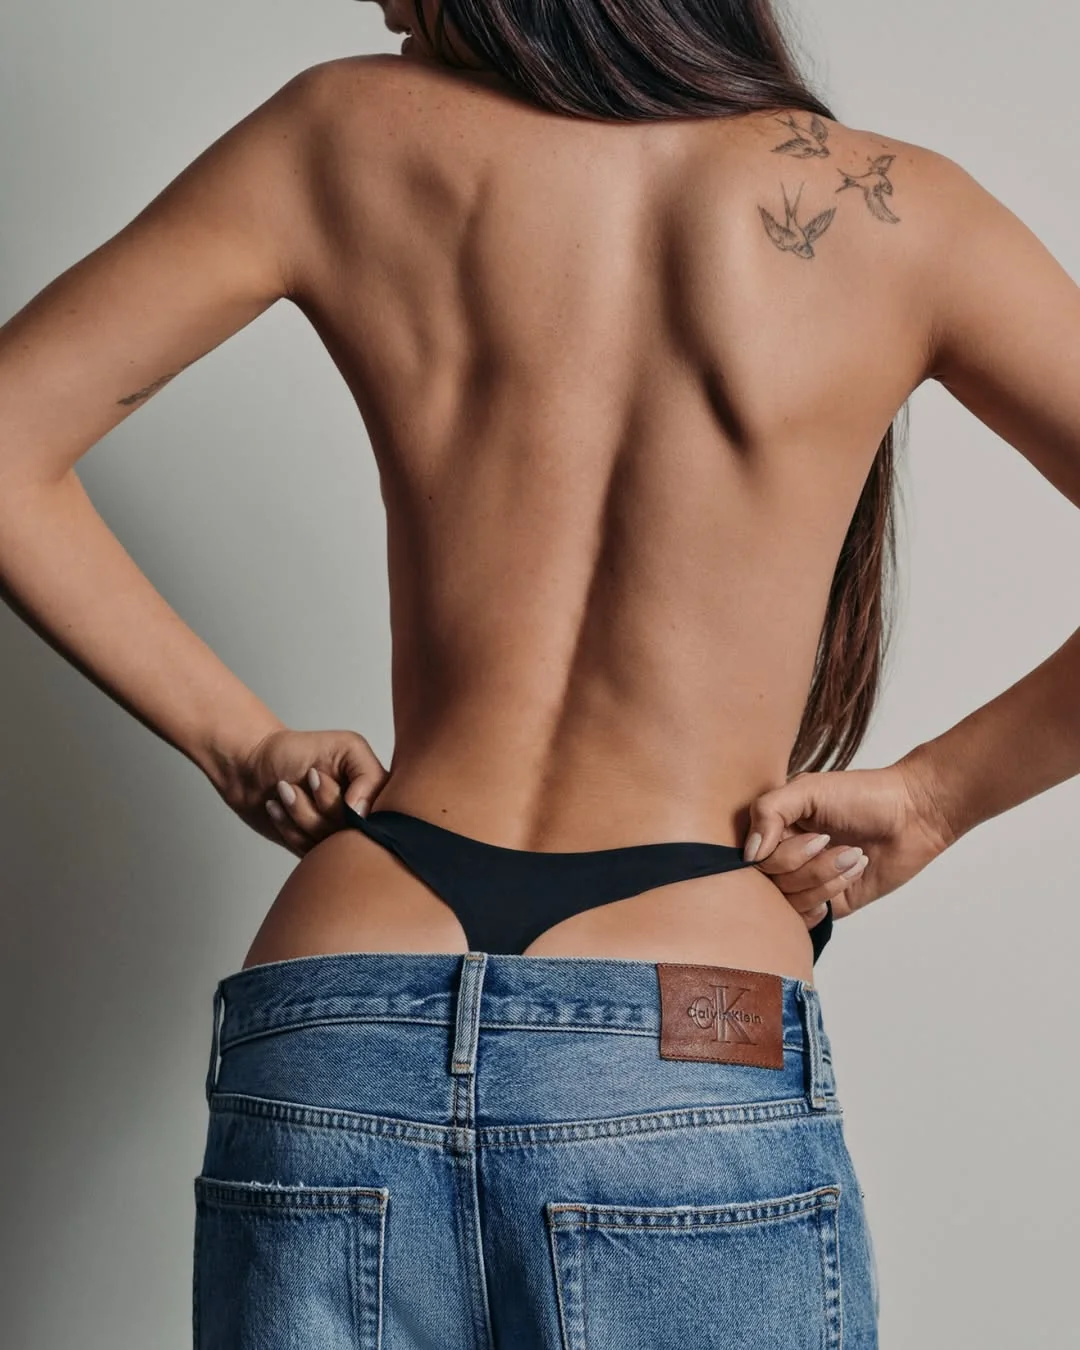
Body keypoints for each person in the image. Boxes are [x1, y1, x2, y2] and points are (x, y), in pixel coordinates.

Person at [1, 1, 1077, 1345]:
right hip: (687, 1028)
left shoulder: (339, 132)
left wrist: (239, 741)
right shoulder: (899, 211)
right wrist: (932, 798)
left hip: (346, 1001)